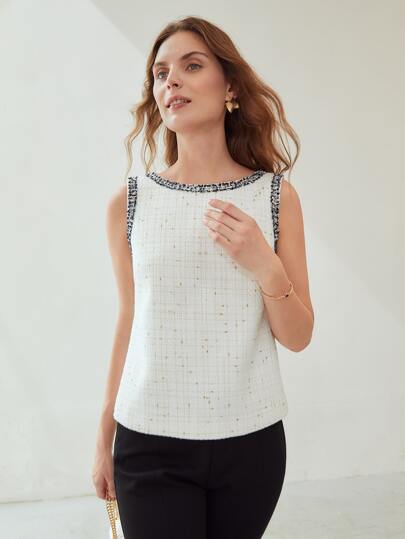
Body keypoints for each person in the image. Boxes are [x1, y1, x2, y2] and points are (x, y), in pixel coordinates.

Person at [92, 15, 314, 539]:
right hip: (149, 441)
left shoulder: (276, 197)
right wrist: (104, 436)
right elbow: (130, 321)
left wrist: (264, 263)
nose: (172, 80)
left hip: (251, 444)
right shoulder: (129, 203)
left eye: (192, 66)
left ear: (230, 86)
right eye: (161, 73)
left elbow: (298, 336)